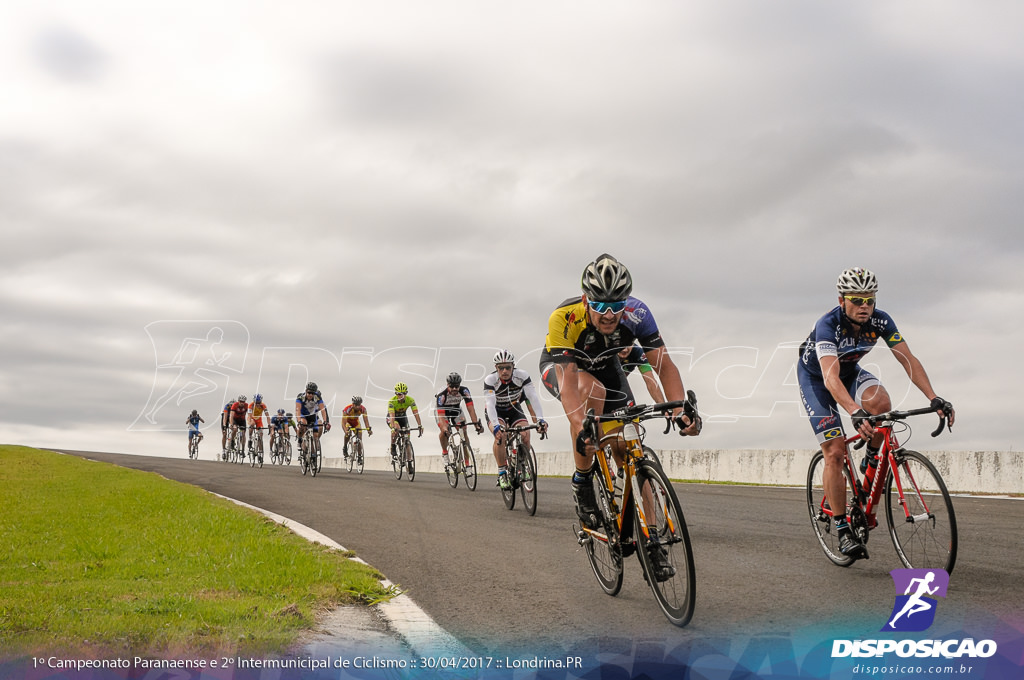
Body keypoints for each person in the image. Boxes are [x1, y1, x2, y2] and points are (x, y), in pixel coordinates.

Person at [543, 253, 700, 580]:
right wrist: (580, 426)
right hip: (567, 369)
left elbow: (663, 366)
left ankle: (651, 541)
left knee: (628, 450)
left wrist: (678, 408)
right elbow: (570, 385)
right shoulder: (564, 318)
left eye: (616, 306)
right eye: (600, 307)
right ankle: (583, 480)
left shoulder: (638, 313)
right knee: (592, 396)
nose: (609, 315)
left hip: (608, 366)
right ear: (586, 300)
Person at [797, 266, 954, 561]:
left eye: (870, 299)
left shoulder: (881, 321)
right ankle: (843, 529)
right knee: (835, 451)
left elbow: (907, 359)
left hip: (849, 372)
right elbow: (831, 378)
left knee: (882, 406)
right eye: (857, 300)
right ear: (842, 299)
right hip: (818, 380)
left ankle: (871, 463)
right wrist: (854, 411)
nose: (865, 306)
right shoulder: (828, 325)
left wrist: (933, 397)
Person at [483, 350, 548, 491]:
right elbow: (490, 405)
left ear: (513, 366)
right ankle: (502, 472)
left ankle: (523, 465)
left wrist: (541, 420)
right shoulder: (490, 380)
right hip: (496, 410)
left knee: (525, 435)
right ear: (496, 368)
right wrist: (495, 427)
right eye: (501, 367)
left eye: (508, 367)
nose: (505, 371)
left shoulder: (522, 376)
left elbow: (533, 398)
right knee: (501, 436)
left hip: (514, 409)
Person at [434, 372, 484, 472]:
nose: (454, 389)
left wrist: (476, 425)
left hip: (456, 411)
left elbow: (470, 409)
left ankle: (467, 463)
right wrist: (444, 428)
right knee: (444, 432)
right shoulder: (442, 394)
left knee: (464, 433)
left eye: (456, 386)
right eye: (452, 386)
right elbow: (441, 415)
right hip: (443, 412)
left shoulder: (464, 391)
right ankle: (445, 453)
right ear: (447, 385)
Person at [386, 382, 423, 457]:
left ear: (406, 393)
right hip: (393, 418)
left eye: (404, 393)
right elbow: (392, 416)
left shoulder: (410, 400)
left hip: (403, 418)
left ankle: (409, 461)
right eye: (399, 394)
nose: (401, 396)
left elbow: (416, 413)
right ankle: (393, 445)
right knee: (397, 428)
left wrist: (419, 425)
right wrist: (393, 428)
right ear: (396, 394)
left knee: (407, 438)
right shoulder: (392, 401)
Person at [295, 382, 330, 458]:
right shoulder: (300, 397)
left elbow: (323, 410)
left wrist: (325, 421)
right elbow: (297, 410)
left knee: (315, 435)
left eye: (312, 393)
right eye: (309, 392)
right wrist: (299, 421)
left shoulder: (317, 398)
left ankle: (313, 455)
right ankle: (300, 439)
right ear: (306, 391)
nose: (310, 395)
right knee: (303, 423)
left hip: (312, 416)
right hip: (302, 414)